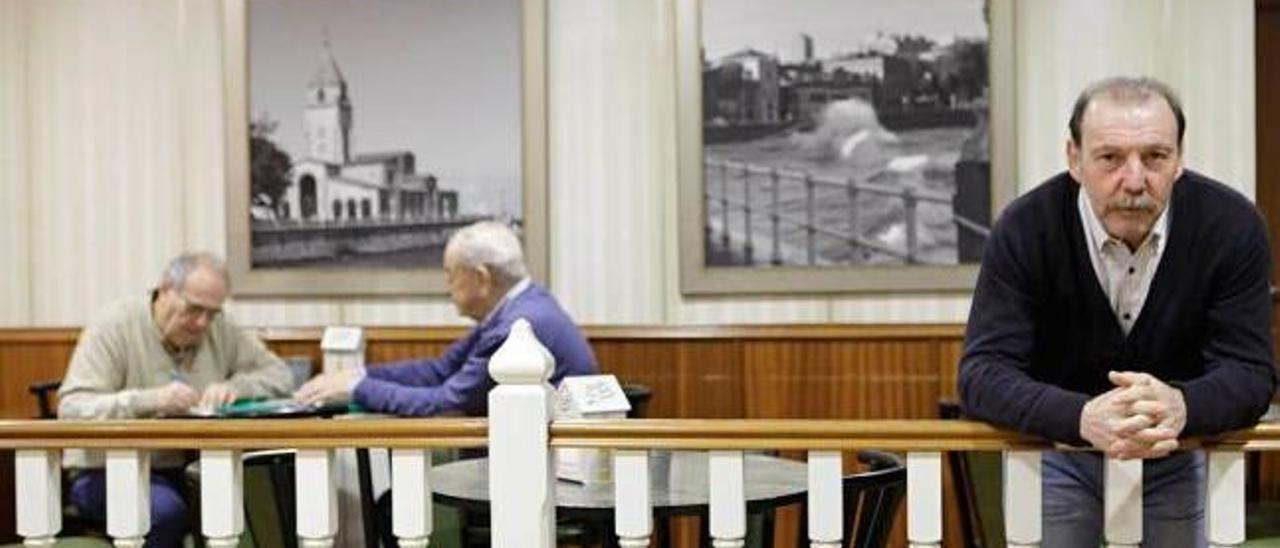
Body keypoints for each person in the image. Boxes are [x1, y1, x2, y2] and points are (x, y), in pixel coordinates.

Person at [958, 76, 1276, 548]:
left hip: (1179, 450)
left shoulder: (1232, 225)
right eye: (1109, 158)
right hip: (1058, 451)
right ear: (1074, 158)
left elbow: (1252, 374)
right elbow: (981, 375)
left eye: (1155, 157)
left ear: (1179, 159)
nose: (1133, 181)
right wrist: (1081, 417)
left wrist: (1181, 405)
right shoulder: (1025, 227)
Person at [58, 252, 294, 548]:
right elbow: (72, 407)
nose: (201, 323)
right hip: (108, 470)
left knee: (263, 502)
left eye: (212, 313)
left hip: (191, 467)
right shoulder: (114, 325)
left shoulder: (218, 327)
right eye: (194, 309)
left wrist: (237, 386)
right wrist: (151, 400)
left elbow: (281, 375)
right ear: (165, 290)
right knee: (165, 512)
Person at [295, 220, 598, 416]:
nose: (447, 286)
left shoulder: (517, 329)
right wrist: (357, 375)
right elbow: (440, 369)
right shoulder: (519, 307)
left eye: (451, 275)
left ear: (481, 278)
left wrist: (358, 388)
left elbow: (446, 404)